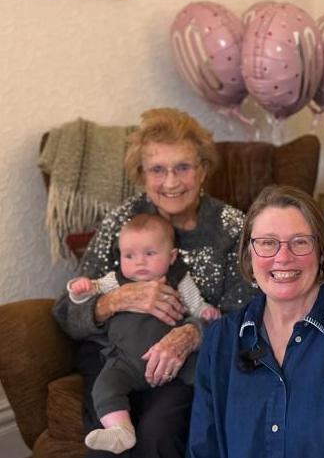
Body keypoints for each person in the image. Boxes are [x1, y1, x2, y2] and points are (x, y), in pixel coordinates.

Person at [52, 107, 255, 457]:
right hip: (116, 359)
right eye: (157, 170)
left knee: (158, 432)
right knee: (109, 439)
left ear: (203, 170)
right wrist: (114, 300)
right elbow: (67, 311)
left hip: (183, 365)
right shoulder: (121, 222)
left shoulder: (231, 228)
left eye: (183, 168)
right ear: (141, 175)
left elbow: (253, 313)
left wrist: (193, 334)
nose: (171, 182)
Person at [188, 185, 324, 457]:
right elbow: (203, 449)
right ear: (248, 255)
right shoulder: (222, 339)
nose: (283, 257)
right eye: (267, 243)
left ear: (321, 251)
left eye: (300, 241)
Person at [66, 214, 220, 453]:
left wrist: (206, 312)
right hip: (125, 363)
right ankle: (120, 431)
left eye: (149, 254)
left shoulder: (178, 280)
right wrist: (81, 289)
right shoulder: (115, 281)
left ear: (172, 257)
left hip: (173, 363)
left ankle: (220, 409)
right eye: (130, 256)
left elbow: (196, 305)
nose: (139, 262)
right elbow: (87, 295)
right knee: (104, 387)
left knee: (202, 372)